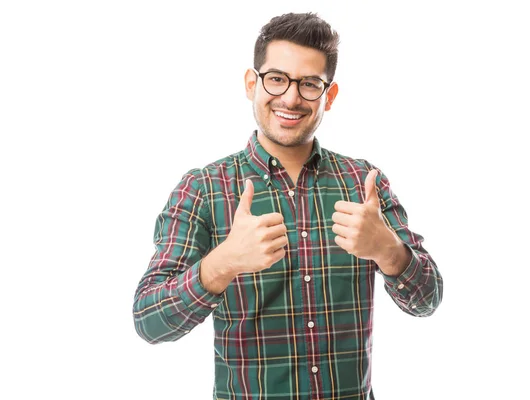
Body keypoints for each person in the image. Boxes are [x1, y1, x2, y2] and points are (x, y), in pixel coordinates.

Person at [133, 12, 443, 399]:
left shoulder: (364, 184)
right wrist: (222, 263)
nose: (292, 98)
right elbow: (148, 321)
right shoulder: (204, 188)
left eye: (310, 84)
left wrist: (388, 251)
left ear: (329, 96)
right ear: (252, 84)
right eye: (277, 79)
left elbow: (428, 300)